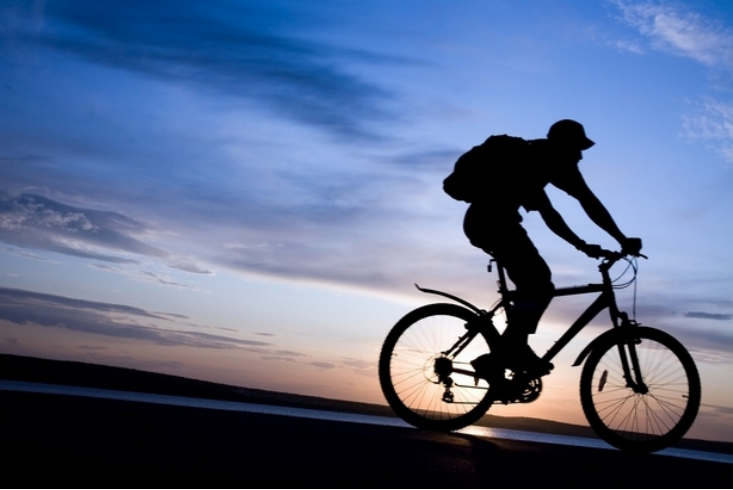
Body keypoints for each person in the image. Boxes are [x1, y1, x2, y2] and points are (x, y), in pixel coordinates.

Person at [463, 119, 641, 377]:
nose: (580, 156)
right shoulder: (530, 161)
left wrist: (586, 244)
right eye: (577, 148)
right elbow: (559, 212)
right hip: (490, 223)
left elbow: (575, 205)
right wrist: (617, 240)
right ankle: (508, 352)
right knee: (538, 282)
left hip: (498, 223)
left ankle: (508, 351)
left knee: (535, 284)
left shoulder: (544, 162)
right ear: (562, 146)